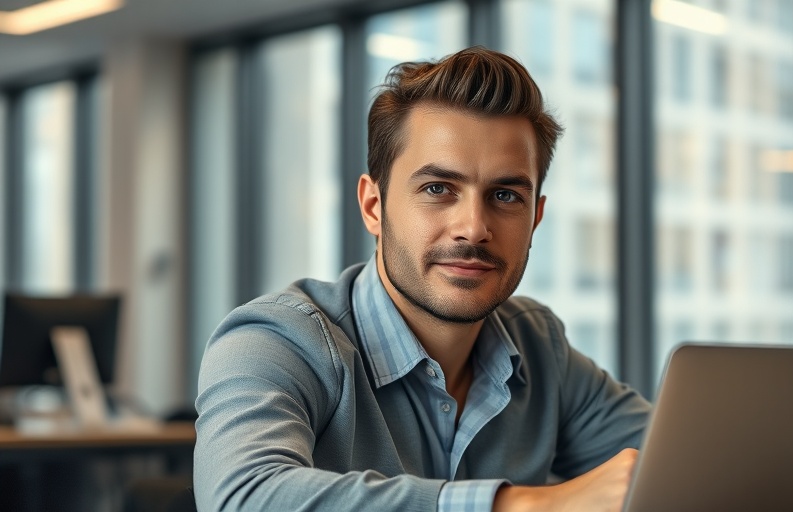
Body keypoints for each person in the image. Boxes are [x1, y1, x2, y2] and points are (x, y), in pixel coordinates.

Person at [194, 46, 651, 512]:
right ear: (374, 206)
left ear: (535, 216)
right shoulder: (278, 339)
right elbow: (241, 496)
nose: (474, 226)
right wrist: (520, 505)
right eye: (437, 189)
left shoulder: (538, 347)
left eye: (506, 195)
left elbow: (688, 463)